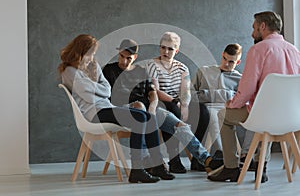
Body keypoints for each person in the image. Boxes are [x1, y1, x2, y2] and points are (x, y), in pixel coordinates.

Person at [57, 34, 175, 183]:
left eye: (93, 54)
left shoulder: (93, 66)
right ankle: (137, 170)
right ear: (79, 52)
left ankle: (157, 166)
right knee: (140, 117)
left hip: (106, 107)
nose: (92, 58)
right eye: (89, 54)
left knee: (149, 117)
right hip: (93, 113)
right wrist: (97, 88)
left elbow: (107, 90)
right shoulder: (69, 71)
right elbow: (89, 98)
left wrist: (92, 87)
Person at [102, 38, 223, 174]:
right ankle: (150, 163)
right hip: (125, 110)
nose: (124, 61)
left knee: (179, 125)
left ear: (135, 57)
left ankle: (206, 159)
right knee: (141, 106)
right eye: (121, 56)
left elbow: (152, 92)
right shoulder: (109, 70)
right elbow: (107, 95)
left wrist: (153, 107)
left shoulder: (141, 71)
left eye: (128, 58)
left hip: (147, 110)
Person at [208, 11, 300, 183]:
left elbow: (248, 88)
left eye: (254, 28)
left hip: (264, 116)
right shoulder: (294, 50)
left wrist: (232, 103)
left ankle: (231, 168)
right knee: (271, 114)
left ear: (262, 26)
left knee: (224, 116)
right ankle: (260, 167)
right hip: (291, 118)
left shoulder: (258, 49)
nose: (252, 33)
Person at [146, 32, 211, 171]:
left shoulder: (182, 67)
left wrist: (185, 105)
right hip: (162, 101)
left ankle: (196, 160)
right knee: (172, 111)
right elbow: (155, 90)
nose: (166, 51)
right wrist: (176, 102)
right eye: (163, 47)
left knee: (204, 112)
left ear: (177, 51)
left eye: (170, 49)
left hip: (180, 101)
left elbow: (186, 90)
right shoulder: (152, 64)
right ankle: (173, 159)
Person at [191, 43, 254, 171]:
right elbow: (190, 94)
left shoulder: (240, 79)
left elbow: (244, 99)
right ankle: (219, 155)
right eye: (225, 59)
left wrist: (209, 94)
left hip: (231, 109)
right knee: (215, 115)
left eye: (231, 62)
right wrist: (227, 95)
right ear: (222, 55)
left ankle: (246, 156)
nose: (226, 64)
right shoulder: (204, 71)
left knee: (254, 117)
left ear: (238, 62)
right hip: (208, 107)